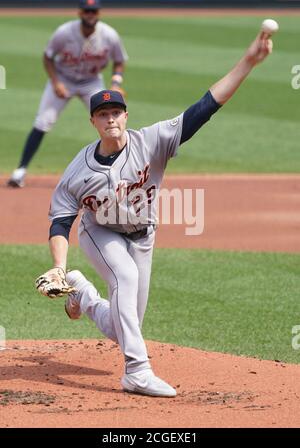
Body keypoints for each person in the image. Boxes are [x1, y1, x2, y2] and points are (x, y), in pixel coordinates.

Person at [35, 29, 273, 397]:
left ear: (126, 115)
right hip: (101, 234)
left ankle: (83, 296)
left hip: (143, 235)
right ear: (93, 122)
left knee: (123, 324)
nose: (110, 118)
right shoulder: (78, 171)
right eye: (102, 114)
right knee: (125, 279)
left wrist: (249, 62)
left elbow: (205, 107)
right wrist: (59, 266)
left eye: (115, 112)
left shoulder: (153, 141)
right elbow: (62, 221)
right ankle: (137, 371)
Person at [7, 0, 128, 188]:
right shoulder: (64, 32)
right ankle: (20, 170)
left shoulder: (109, 35)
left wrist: (115, 82)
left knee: (110, 121)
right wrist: (56, 83)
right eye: (86, 11)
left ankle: (118, 171)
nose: (90, 14)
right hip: (64, 79)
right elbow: (47, 58)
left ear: (99, 13)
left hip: (91, 81)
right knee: (43, 121)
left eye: (93, 11)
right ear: (80, 12)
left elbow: (120, 60)